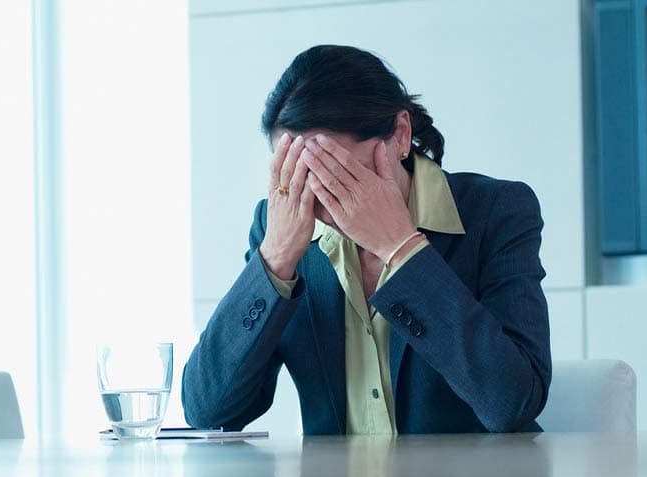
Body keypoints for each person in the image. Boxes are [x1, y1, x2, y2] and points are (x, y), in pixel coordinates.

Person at [182, 45, 551, 434]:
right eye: (302, 177)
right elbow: (208, 413)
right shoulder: (278, 225)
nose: (325, 199)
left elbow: (514, 402)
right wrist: (274, 258)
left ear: (401, 135)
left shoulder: (496, 211)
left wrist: (402, 248)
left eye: (343, 176)